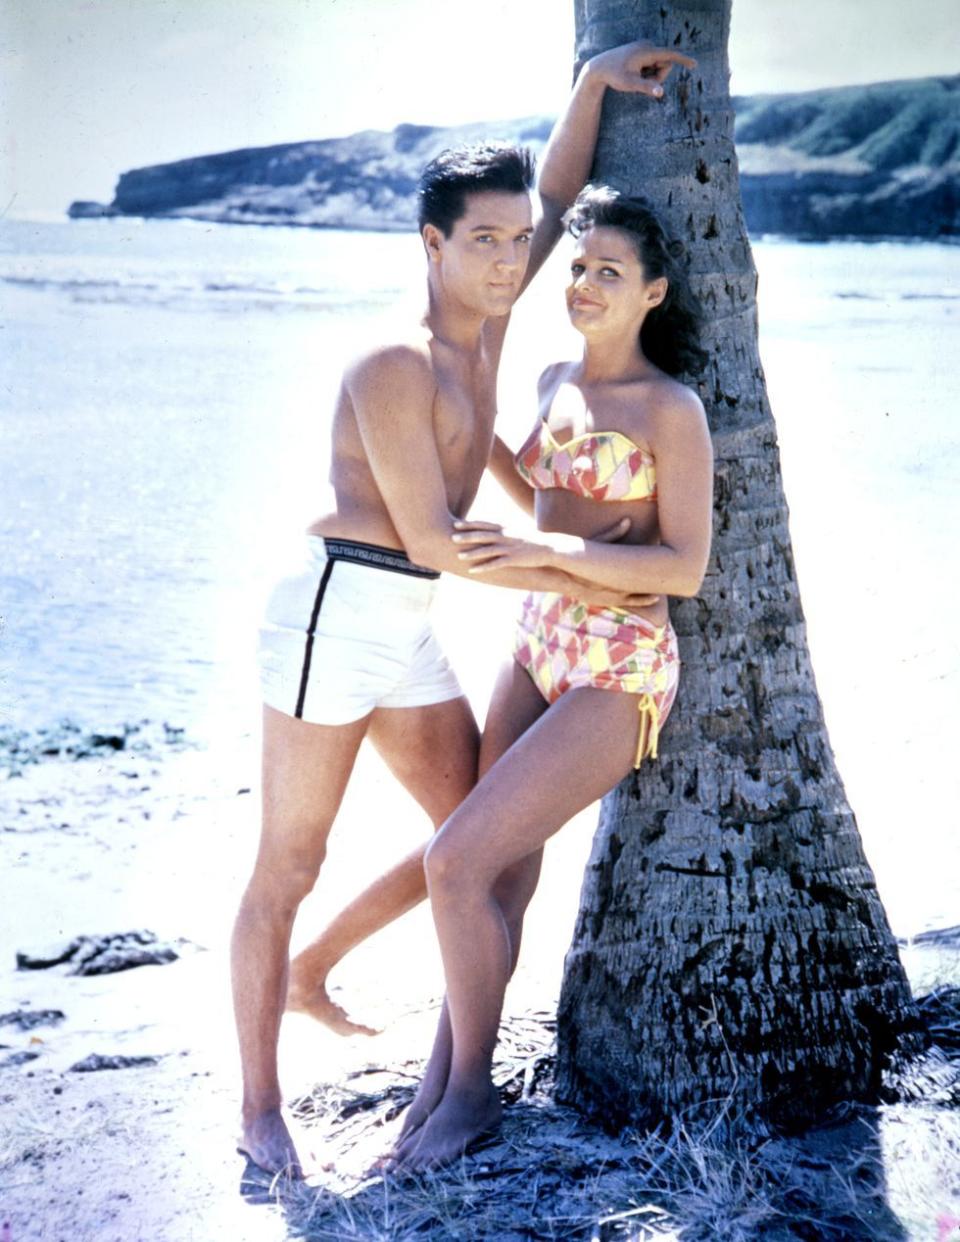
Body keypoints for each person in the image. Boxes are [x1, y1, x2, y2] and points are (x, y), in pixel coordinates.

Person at [231, 44, 696, 1177]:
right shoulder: (395, 360)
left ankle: (439, 1066)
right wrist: (594, 571)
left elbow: (545, 196)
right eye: (476, 242)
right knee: (288, 864)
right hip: (339, 615)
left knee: (477, 851)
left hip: (418, 629)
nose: (508, 259)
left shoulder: (493, 330)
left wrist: (588, 88)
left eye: (513, 245)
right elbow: (438, 538)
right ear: (430, 246)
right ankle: (257, 1108)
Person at [388, 185, 714, 1171]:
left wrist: (560, 550)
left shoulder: (671, 408)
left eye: (609, 271)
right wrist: (464, 430)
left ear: (653, 293)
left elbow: (683, 568)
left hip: (618, 670)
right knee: (494, 871)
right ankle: (446, 1072)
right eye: (577, 267)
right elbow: (542, 500)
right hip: (538, 641)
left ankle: (474, 1093)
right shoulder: (547, 385)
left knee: (454, 861)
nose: (583, 284)